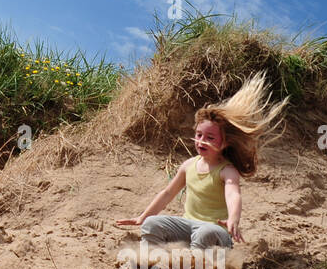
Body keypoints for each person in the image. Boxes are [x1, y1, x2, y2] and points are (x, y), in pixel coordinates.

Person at [116, 71, 287, 249]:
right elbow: (168, 193)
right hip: (187, 227)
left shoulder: (226, 170)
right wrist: (142, 217)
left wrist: (233, 220)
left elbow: (233, 195)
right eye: (199, 135)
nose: (201, 141)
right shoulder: (188, 165)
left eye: (210, 137)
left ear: (225, 142)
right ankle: (152, 261)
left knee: (206, 233)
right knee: (152, 224)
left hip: (215, 231)